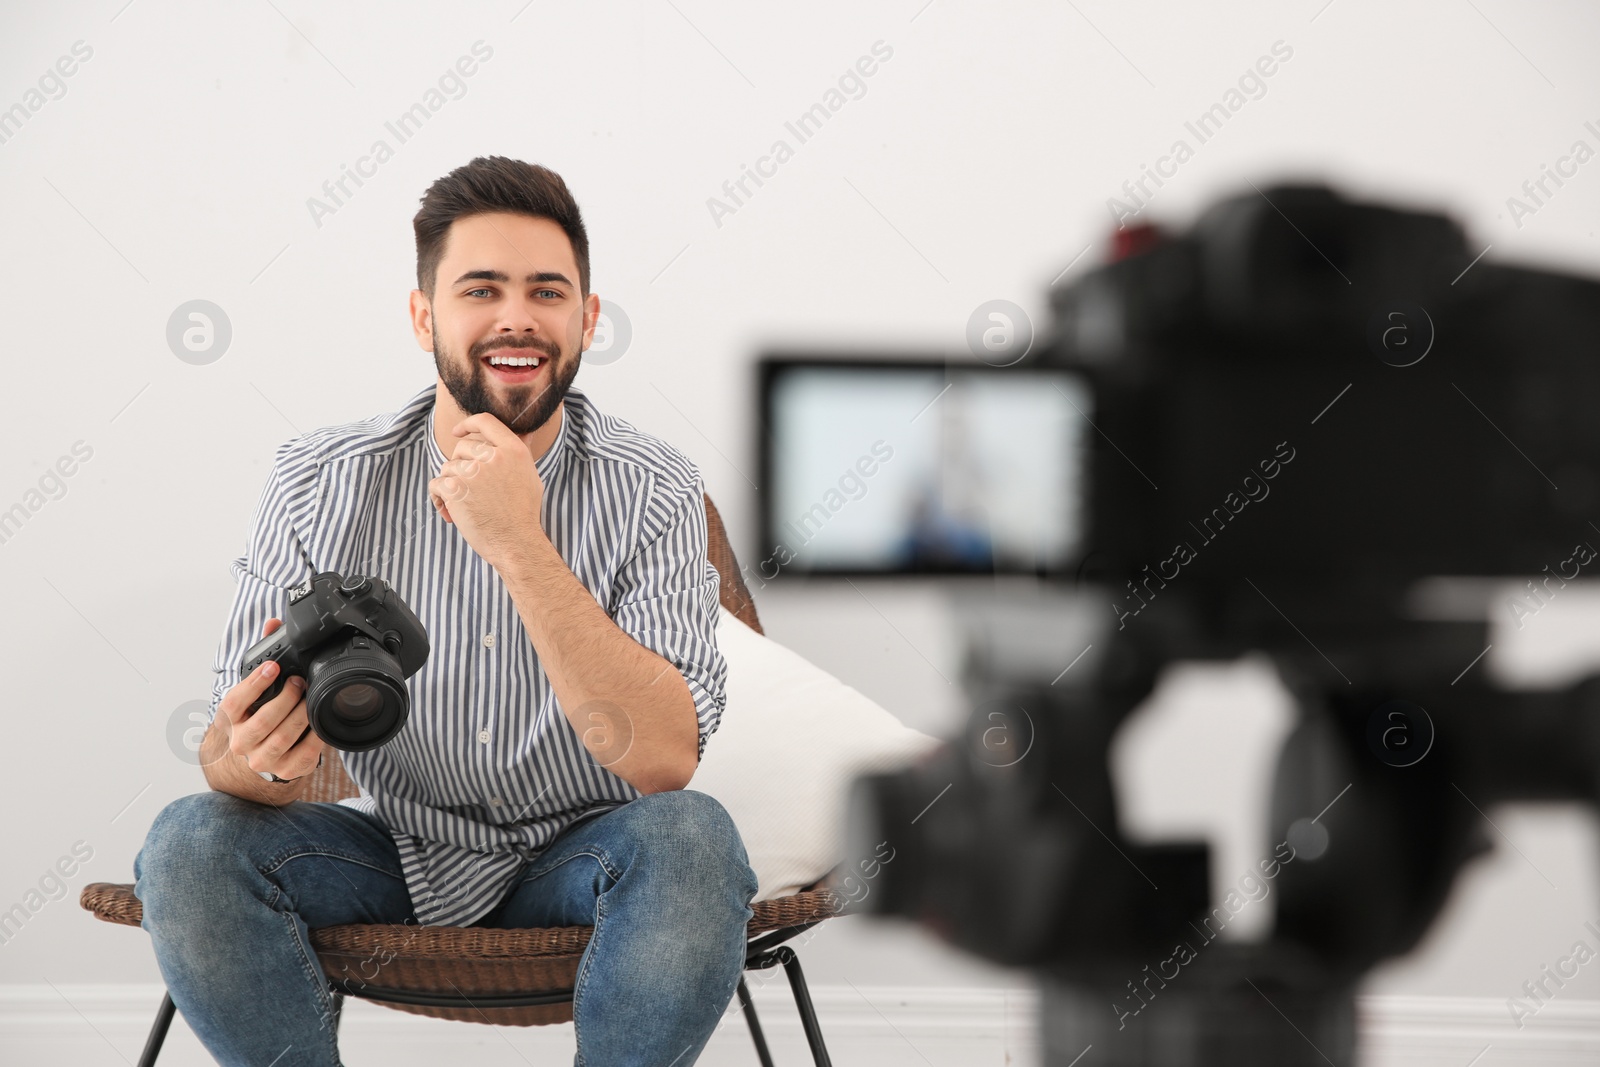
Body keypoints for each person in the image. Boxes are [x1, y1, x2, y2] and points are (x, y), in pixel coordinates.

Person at [134, 156, 757, 1067]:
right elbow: (236, 758)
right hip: (391, 848)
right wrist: (250, 760)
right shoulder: (317, 478)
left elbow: (665, 759)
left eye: (548, 291)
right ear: (425, 314)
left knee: (696, 840)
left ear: (587, 319)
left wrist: (518, 541)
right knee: (187, 843)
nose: (517, 318)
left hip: (589, 860)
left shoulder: (655, 486)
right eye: (481, 289)